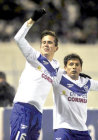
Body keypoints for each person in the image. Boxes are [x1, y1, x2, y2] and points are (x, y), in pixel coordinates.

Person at [10, 9, 59, 140]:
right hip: (23, 107)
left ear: (56, 48)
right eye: (44, 42)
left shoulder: (56, 67)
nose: (46, 45)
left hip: (38, 112)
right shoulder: (34, 56)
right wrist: (32, 20)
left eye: (49, 42)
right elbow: (18, 38)